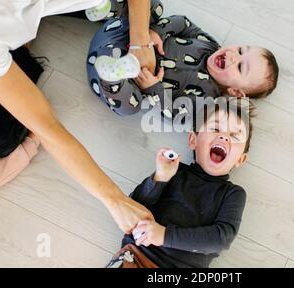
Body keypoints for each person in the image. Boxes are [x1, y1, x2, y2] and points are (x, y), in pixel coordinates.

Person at [0, 0, 158, 233]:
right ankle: (14, 52)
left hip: (19, 2)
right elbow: (48, 127)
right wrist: (113, 199)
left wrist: (140, 41)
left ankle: (24, 31)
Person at [106, 98, 252, 268]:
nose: (223, 136)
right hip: (137, 256)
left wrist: (165, 235)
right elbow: (131, 208)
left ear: (241, 159)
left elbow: (221, 238)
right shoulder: (173, 170)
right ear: (193, 140)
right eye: (215, 128)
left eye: (235, 135)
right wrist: (160, 178)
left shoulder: (233, 194)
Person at [86, 0, 279, 120]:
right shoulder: (210, 45)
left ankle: (112, 75)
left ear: (236, 92)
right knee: (153, 5)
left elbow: (173, 111)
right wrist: (157, 32)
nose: (232, 56)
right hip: (121, 32)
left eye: (239, 67)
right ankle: (107, 8)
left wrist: (153, 87)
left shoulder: (207, 98)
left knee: (130, 107)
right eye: (240, 50)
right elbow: (183, 23)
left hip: (111, 69)